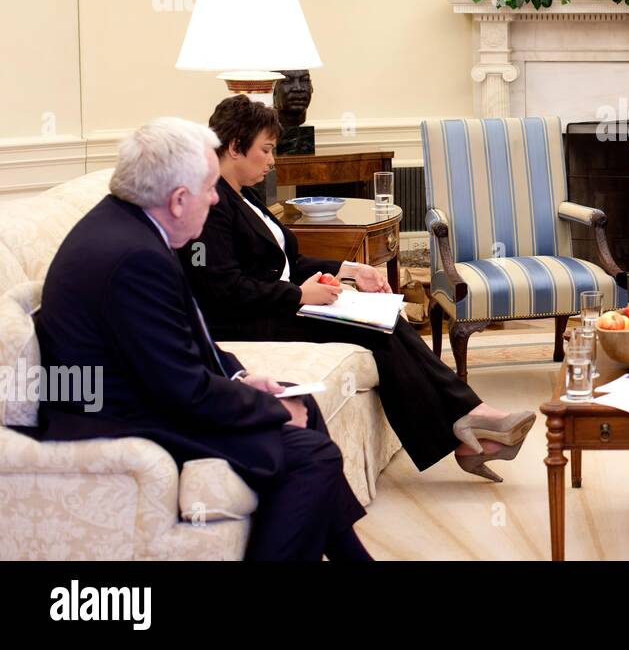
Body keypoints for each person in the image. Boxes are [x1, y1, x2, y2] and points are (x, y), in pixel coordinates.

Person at [26, 118, 370, 560]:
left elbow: (187, 339)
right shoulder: (133, 257)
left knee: (302, 404)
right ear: (178, 199)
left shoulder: (131, 226)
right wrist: (264, 407)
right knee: (311, 455)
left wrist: (243, 377)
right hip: (118, 419)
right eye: (210, 187)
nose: (216, 197)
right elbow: (182, 389)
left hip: (139, 392)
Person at [183, 95, 535, 483]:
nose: (271, 161)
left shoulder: (243, 195)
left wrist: (349, 269)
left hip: (276, 306)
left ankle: (470, 426)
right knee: (375, 329)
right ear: (235, 146)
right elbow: (221, 290)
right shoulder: (211, 204)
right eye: (265, 150)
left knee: (384, 318)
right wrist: (300, 296)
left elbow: (285, 262)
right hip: (248, 323)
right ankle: (471, 425)